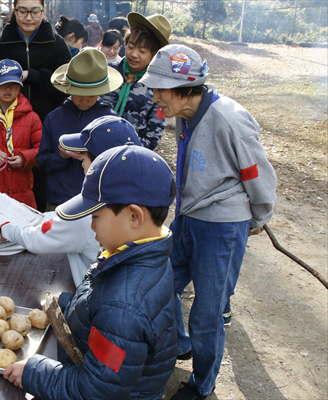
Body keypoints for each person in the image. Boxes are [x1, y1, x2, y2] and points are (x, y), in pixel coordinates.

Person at [140, 44, 277, 400]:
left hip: (221, 227)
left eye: (160, 89)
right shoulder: (184, 114)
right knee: (158, 282)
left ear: (186, 87)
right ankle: (183, 344)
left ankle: (202, 386)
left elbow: (256, 171)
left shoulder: (229, 118)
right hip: (189, 217)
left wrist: (260, 213)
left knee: (207, 312)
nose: (155, 97)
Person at [3, 144, 178, 398]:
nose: (91, 225)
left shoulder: (123, 309)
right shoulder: (139, 250)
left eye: (95, 216)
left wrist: (32, 372)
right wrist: (67, 304)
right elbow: (101, 311)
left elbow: (95, 390)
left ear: (134, 217)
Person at [0, 115, 141, 287]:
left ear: (101, 164)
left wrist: (7, 230)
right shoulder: (135, 197)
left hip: (93, 299)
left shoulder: (93, 215)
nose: (81, 165)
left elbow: (38, 238)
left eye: (84, 159)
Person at [0, 0, 71, 212]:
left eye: (35, 11)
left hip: (47, 130)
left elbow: (67, 87)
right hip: (4, 135)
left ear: (43, 12)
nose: (29, 17)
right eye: (22, 11)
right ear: (14, 11)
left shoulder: (57, 45)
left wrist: (33, 76)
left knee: (42, 194)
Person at [37, 48, 121, 210]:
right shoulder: (54, 118)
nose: (84, 100)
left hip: (97, 202)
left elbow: (117, 166)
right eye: (78, 93)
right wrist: (61, 156)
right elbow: (42, 161)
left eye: (91, 95)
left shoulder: (110, 121)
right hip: (58, 201)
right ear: (68, 89)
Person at [0, 59, 42, 208]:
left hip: (22, 194)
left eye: (14, 85)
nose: (8, 89)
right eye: (3, 84)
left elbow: (42, 150)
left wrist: (24, 158)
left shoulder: (32, 117)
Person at [113, 13, 171, 150]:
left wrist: (127, 149)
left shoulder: (158, 88)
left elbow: (153, 135)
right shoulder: (110, 73)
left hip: (132, 154)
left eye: (142, 50)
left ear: (154, 55)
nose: (134, 54)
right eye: (131, 46)